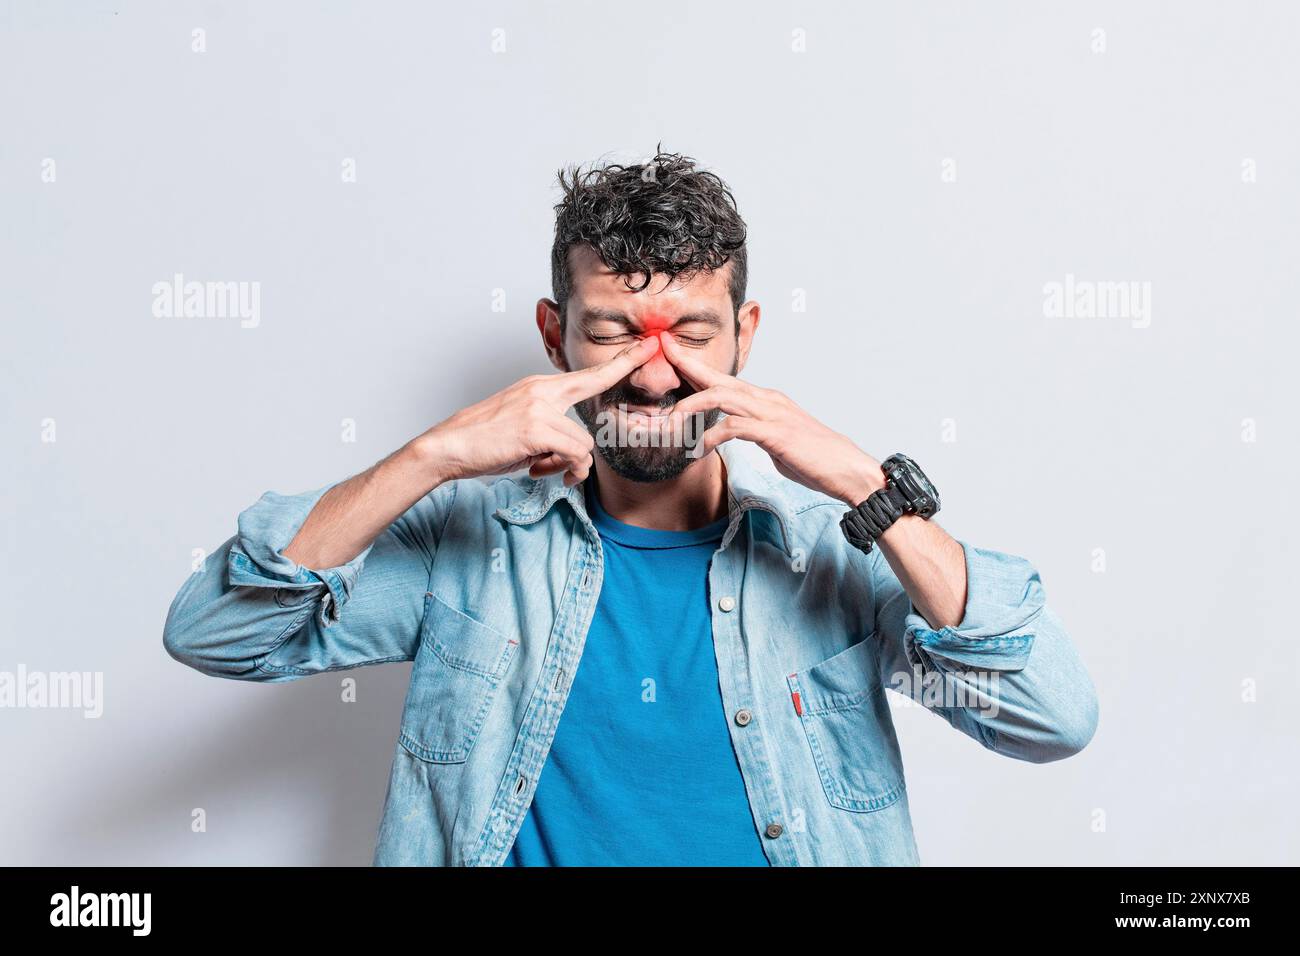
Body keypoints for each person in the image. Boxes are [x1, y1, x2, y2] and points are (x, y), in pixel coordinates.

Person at [163, 149, 1099, 866]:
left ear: (747, 337)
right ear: (553, 335)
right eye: (611, 333)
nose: (653, 375)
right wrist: (434, 453)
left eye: (692, 336)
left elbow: (1052, 717)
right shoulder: (466, 545)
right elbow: (216, 631)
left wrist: (865, 486)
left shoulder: (836, 554)